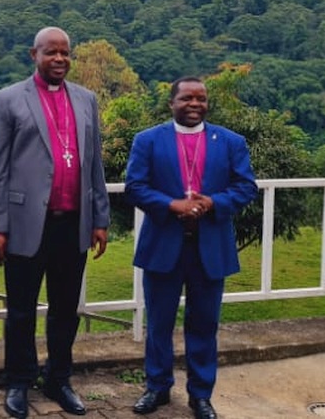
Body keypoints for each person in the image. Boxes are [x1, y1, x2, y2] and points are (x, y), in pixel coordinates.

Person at [0, 26, 111, 418]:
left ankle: (59, 379)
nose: (59, 59)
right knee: (21, 310)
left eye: (65, 53)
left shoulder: (86, 99)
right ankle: (19, 381)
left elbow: (94, 164)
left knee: (64, 309)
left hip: (73, 223)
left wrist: (100, 218)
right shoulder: (8, 99)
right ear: (33, 55)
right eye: (51, 52)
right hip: (25, 222)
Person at [123, 76, 257, 419]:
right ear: (172, 103)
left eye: (200, 99)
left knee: (204, 324)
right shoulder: (148, 140)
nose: (194, 104)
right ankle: (157, 387)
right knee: (159, 323)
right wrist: (172, 205)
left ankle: (200, 395)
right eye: (186, 98)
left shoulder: (230, 142)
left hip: (210, 247)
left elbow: (245, 187)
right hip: (163, 245)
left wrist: (212, 202)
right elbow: (135, 187)